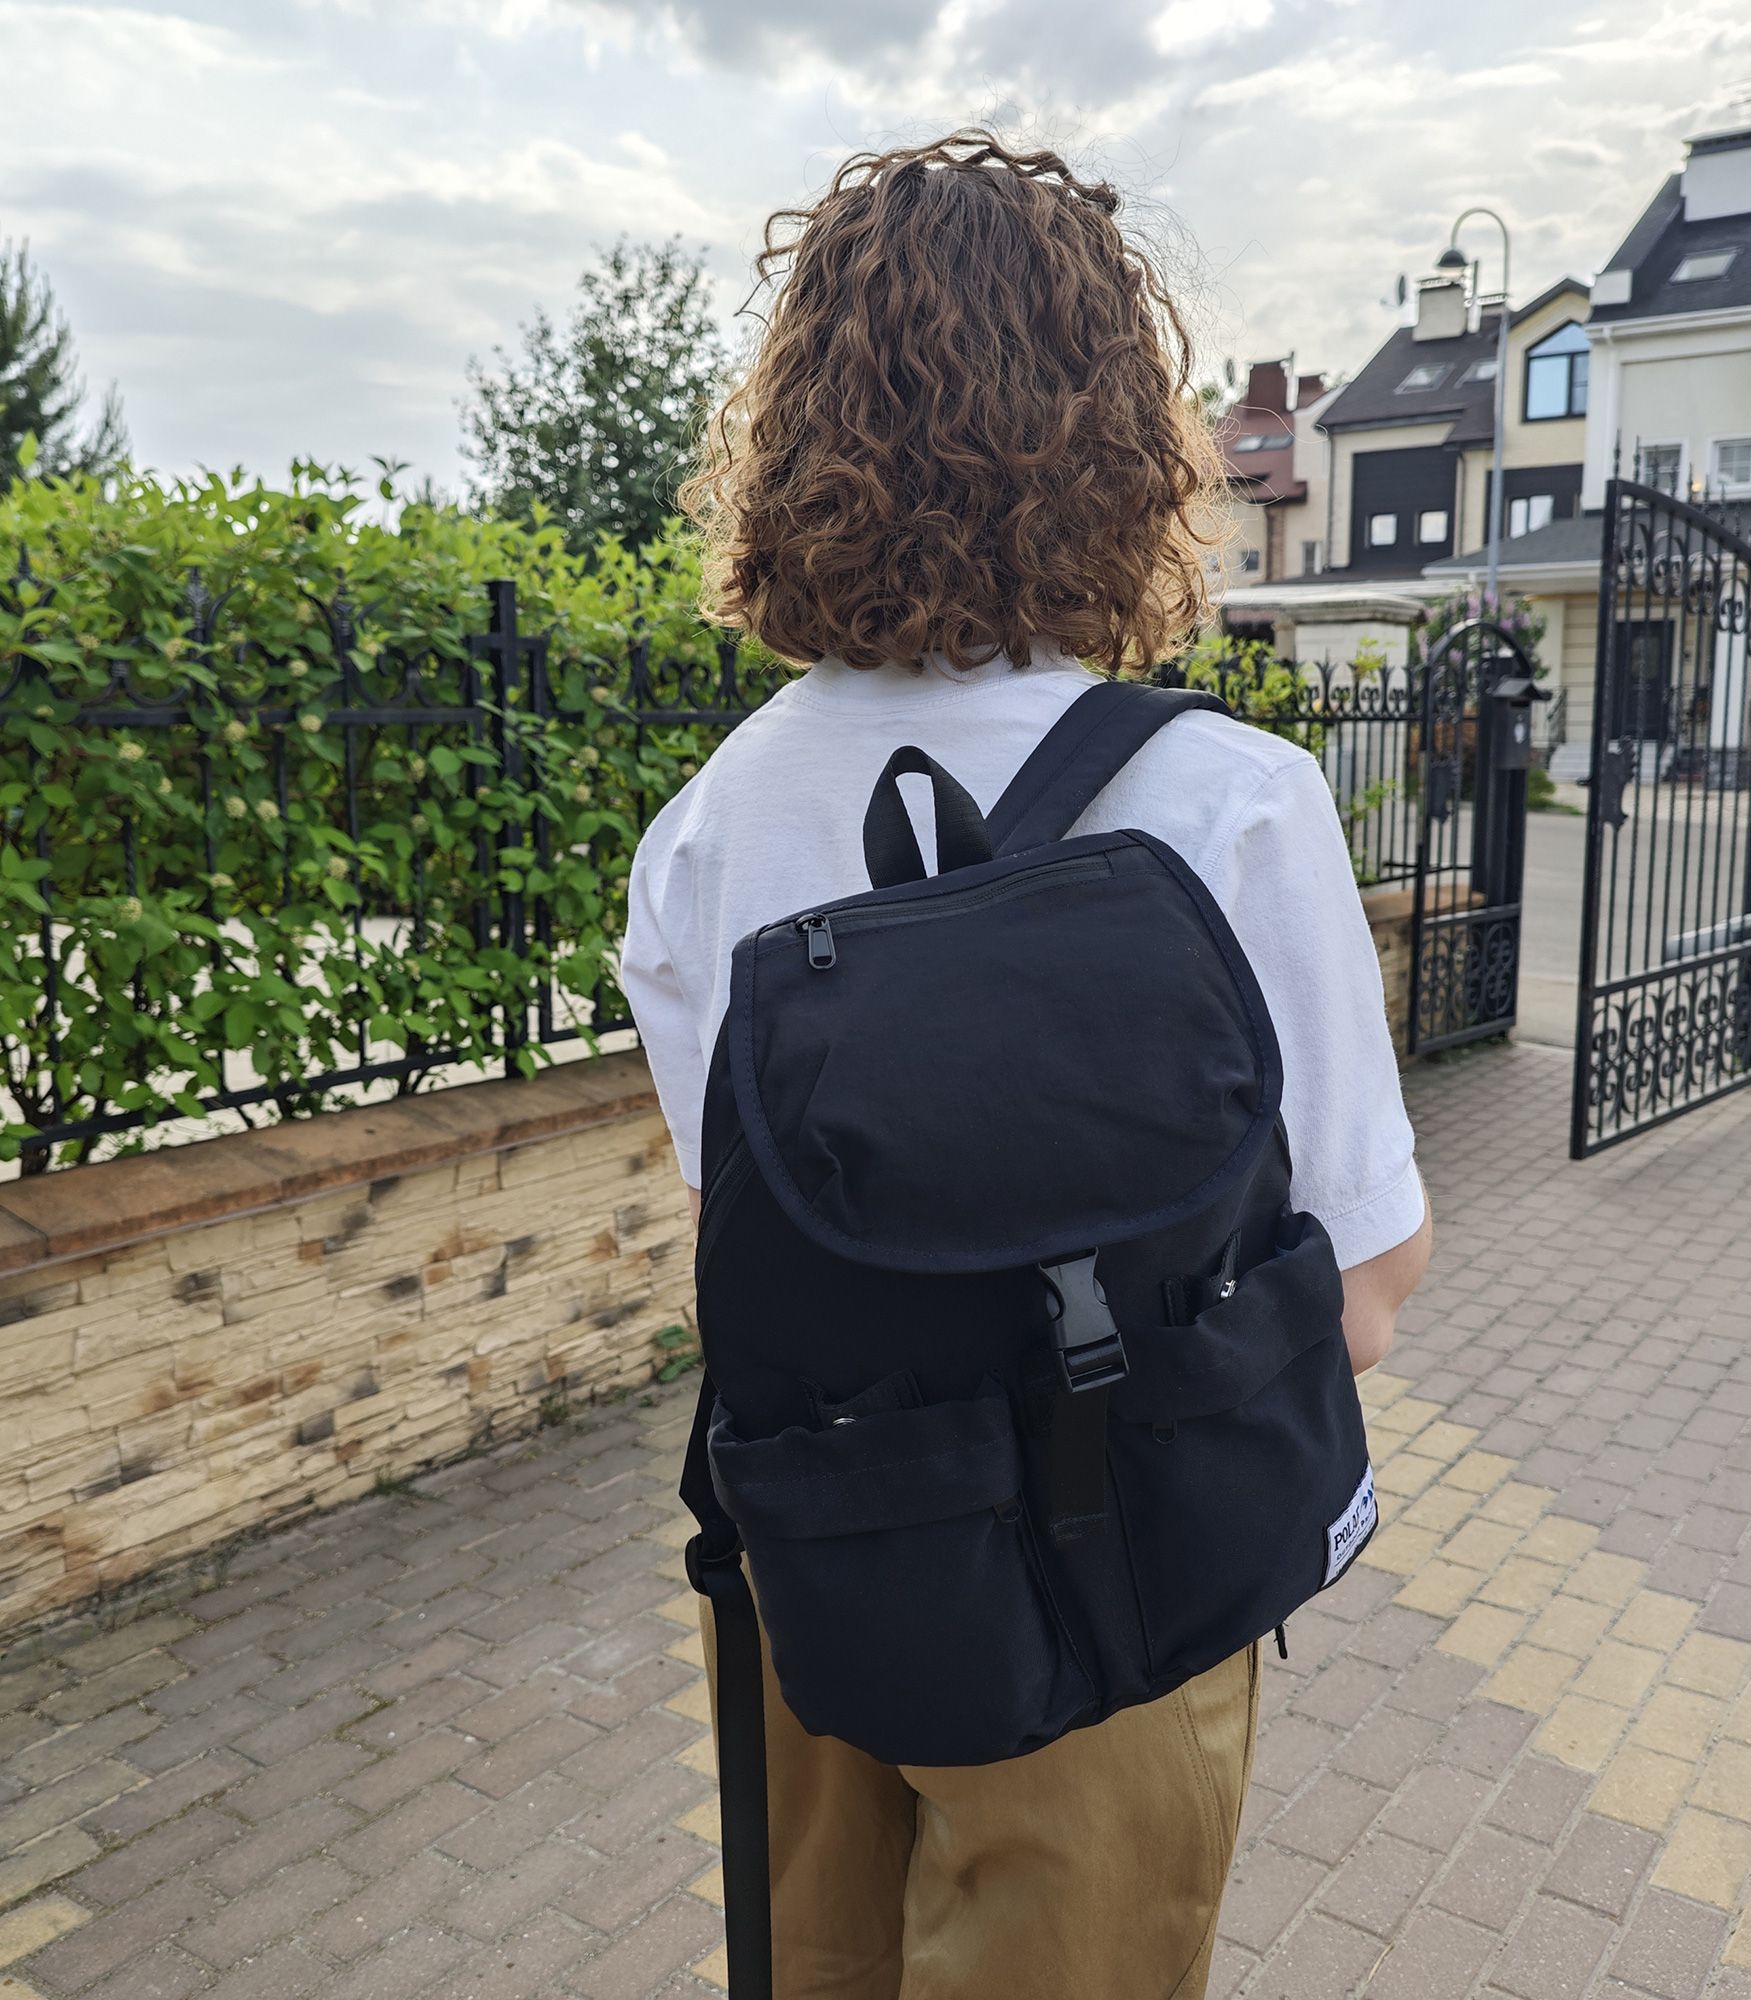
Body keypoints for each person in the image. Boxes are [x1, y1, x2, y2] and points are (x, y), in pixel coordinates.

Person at [621, 130, 1431, 2000]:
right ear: (1117, 441)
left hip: (819, 1563)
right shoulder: (1230, 802)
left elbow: (761, 1237)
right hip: (1116, 1589)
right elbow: (1363, 1297)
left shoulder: (708, 828)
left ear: (796, 438)